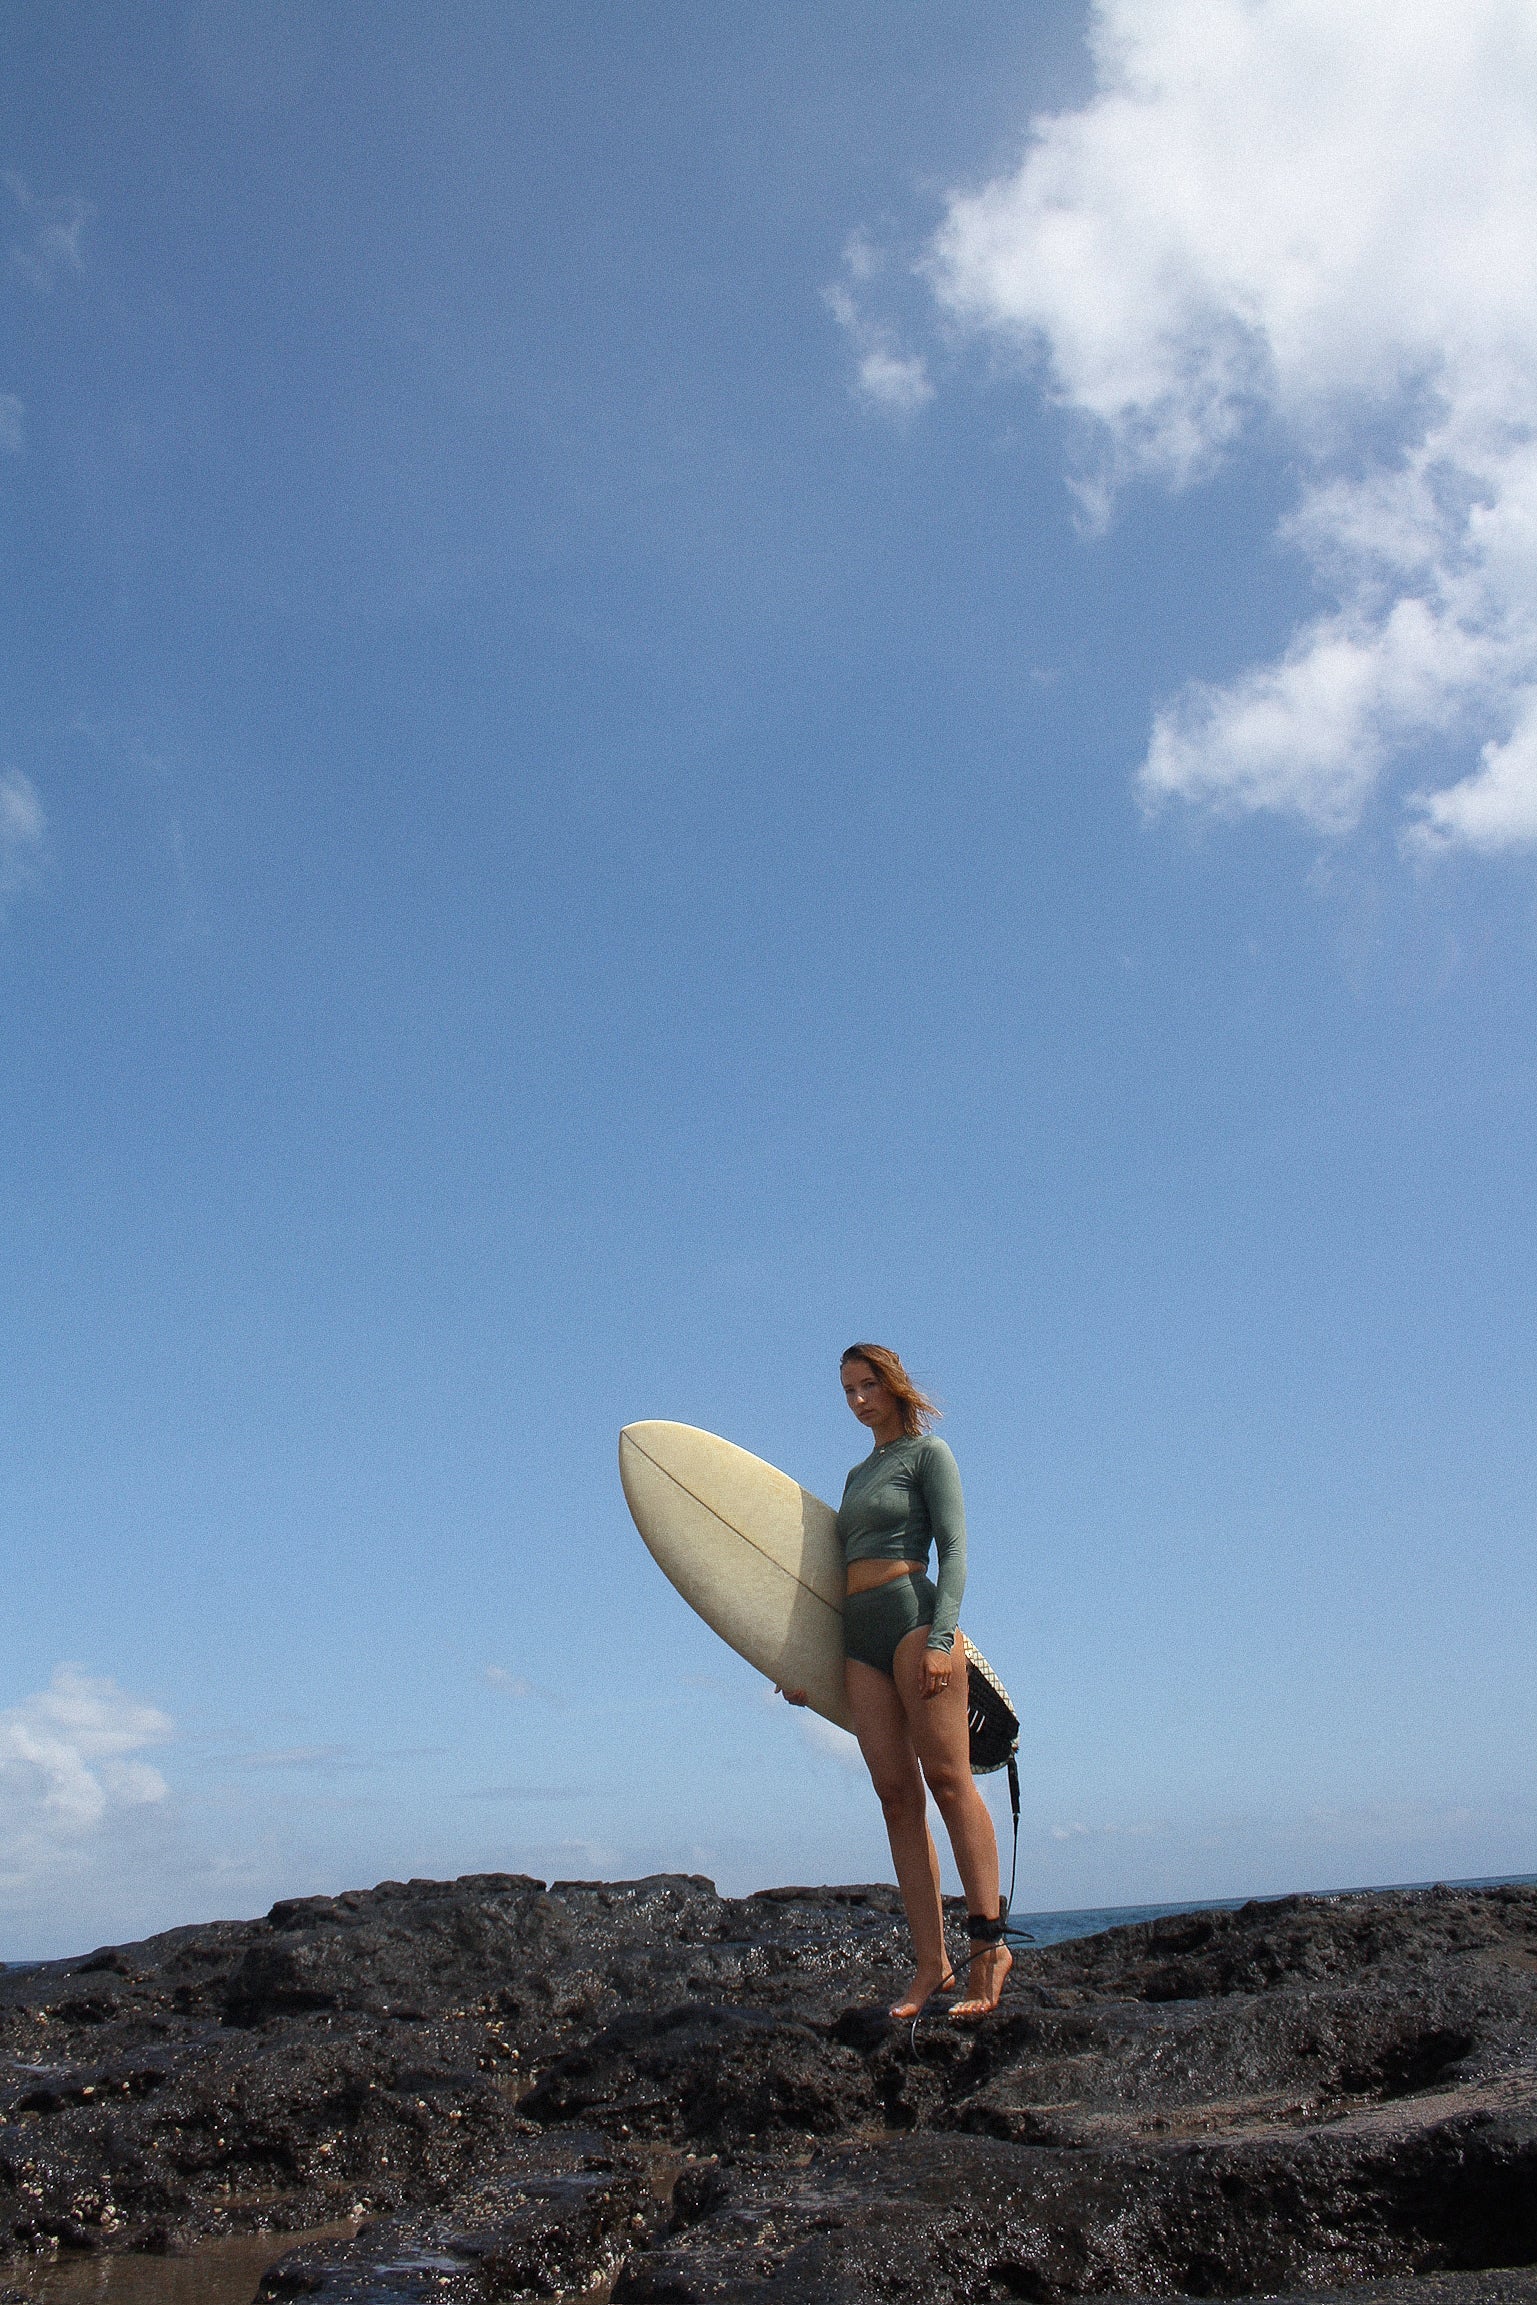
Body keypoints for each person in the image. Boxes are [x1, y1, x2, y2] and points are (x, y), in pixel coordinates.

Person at [781, 1344, 1011, 2021]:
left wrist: (943, 1639)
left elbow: (956, 1548)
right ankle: (930, 1964)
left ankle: (988, 1946)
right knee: (893, 1796)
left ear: (893, 1383)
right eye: (847, 1389)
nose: (857, 1400)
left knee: (948, 1780)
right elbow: (825, 1582)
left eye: (867, 1385)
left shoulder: (926, 1455)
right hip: (859, 1640)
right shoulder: (856, 1475)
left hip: (914, 1620)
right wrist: (803, 1670)